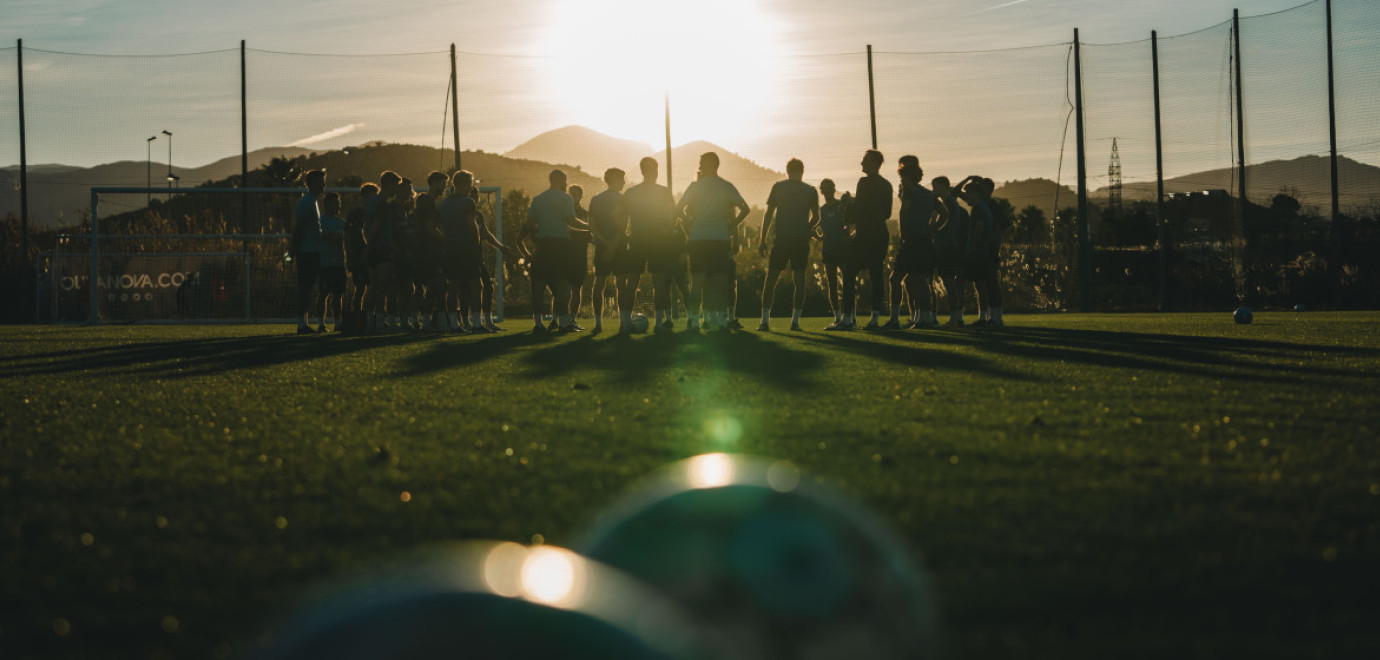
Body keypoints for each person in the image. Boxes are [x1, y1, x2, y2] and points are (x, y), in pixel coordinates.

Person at [676, 151, 750, 332]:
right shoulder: (726, 186)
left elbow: (678, 208)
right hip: (719, 238)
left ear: (707, 165)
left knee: (698, 281)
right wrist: (731, 224)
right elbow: (745, 209)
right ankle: (721, 320)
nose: (699, 165)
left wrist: (689, 222)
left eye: (701, 162)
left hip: (698, 238)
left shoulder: (695, 186)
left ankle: (694, 321)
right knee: (720, 280)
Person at [520, 169, 587, 333]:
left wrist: (538, 241)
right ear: (559, 180)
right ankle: (564, 324)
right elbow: (570, 220)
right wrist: (590, 227)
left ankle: (538, 324)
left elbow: (529, 224)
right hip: (560, 246)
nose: (566, 184)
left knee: (538, 286)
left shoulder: (537, 199)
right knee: (562, 286)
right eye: (565, 180)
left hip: (543, 247)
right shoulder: (566, 198)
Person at [616, 157, 677, 334]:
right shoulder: (663, 191)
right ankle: (659, 324)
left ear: (642, 171)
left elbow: (617, 215)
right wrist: (667, 230)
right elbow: (674, 214)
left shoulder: (631, 192)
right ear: (656, 171)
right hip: (658, 239)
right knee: (659, 282)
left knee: (632, 282)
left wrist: (624, 235)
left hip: (637, 239)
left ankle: (626, 323)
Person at [757, 158, 819, 332]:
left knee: (771, 279)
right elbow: (816, 217)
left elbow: (768, 214)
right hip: (800, 240)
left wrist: (762, 239)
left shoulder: (778, 187)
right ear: (802, 171)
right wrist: (806, 228)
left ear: (787, 170)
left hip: (782, 239)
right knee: (799, 280)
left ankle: (764, 322)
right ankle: (795, 322)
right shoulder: (810, 190)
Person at [837, 149, 893, 331]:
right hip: (880, 235)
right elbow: (886, 213)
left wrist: (850, 204)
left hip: (866, 235)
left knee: (849, 272)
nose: (861, 163)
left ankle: (847, 319)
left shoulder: (864, 182)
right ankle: (874, 318)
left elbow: (861, 208)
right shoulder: (886, 185)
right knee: (876, 275)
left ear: (874, 163)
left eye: (865, 160)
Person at [886, 155, 939, 330]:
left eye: (901, 177)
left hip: (911, 239)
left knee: (895, 279)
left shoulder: (909, 191)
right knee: (919, 279)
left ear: (906, 177)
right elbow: (944, 213)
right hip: (925, 240)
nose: (901, 180)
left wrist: (903, 233)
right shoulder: (930, 194)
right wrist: (932, 228)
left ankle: (895, 320)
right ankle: (925, 318)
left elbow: (904, 212)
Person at [588, 168, 627, 335]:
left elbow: (592, 227)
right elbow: (623, 227)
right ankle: (623, 323)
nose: (624, 182)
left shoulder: (596, 200)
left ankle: (598, 323)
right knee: (621, 285)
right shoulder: (624, 200)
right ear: (615, 180)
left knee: (599, 284)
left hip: (603, 248)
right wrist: (613, 246)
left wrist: (605, 245)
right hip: (618, 247)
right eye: (622, 179)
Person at [364, 171, 402, 334]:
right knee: (382, 288)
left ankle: (367, 321)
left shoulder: (371, 201)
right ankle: (379, 323)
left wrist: (367, 246)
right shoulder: (383, 204)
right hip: (382, 248)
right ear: (389, 184)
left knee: (373, 288)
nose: (397, 189)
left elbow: (367, 226)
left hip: (373, 249)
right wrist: (370, 246)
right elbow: (376, 226)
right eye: (396, 185)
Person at [291, 169, 327, 334]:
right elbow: (299, 227)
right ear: (312, 183)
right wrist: (292, 251)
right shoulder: (306, 202)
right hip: (307, 252)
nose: (323, 184)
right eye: (321, 181)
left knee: (311, 287)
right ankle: (301, 324)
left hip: (313, 251)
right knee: (304, 287)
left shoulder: (312, 201)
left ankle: (306, 323)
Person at [932, 176, 969, 327]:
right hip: (951, 246)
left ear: (943, 186)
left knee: (949, 282)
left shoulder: (947, 203)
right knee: (954, 283)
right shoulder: (952, 202)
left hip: (946, 246)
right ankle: (957, 317)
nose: (933, 190)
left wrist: (933, 225)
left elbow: (940, 224)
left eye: (935, 187)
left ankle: (954, 317)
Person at [816, 180, 852, 329]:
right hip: (829, 248)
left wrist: (849, 236)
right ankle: (837, 317)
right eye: (826, 189)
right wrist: (818, 237)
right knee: (832, 284)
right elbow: (813, 226)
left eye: (831, 188)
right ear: (822, 191)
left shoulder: (841, 205)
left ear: (834, 189)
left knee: (847, 283)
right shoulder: (822, 210)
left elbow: (851, 222)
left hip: (843, 248)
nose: (829, 191)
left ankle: (849, 316)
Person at [318, 192, 349, 332]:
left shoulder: (341, 222)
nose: (338, 205)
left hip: (339, 263)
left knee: (338, 295)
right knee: (323, 294)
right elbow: (333, 237)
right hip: (325, 263)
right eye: (335, 203)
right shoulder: (322, 221)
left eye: (339, 203)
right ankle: (321, 324)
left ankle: (338, 323)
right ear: (326, 205)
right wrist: (344, 235)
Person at [344, 184, 377, 313]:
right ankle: (358, 317)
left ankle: (372, 316)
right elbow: (347, 237)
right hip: (358, 258)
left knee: (374, 288)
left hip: (374, 256)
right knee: (360, 289)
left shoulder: (377, 214)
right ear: (363, 197)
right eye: (370, 197)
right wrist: (350, 257)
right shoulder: (354, 214)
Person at [565, 184, 592, 331]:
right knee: (563, 289)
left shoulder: (586, 214)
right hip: (565, 255)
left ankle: (572, 319)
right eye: (570, 194)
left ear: (581, 196)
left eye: (575, 194)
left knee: (576, 289)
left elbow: (590, 234)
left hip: (580, 254)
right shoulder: (564, 213)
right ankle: (557, 319)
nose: (572, 197)